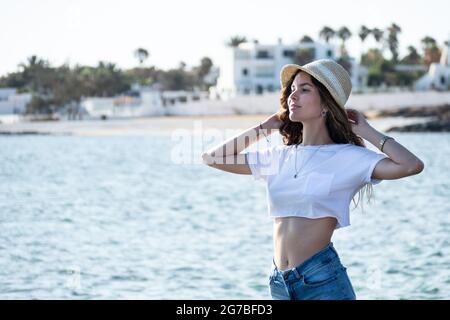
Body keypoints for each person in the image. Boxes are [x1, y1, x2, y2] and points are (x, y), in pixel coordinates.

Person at [201, 59, 424, 300]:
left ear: (326, 104)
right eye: (292, 90)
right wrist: (264, 127)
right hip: (279, 282)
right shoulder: (279, 156)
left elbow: (411, 165)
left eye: (304, 89)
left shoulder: (349, 157)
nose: (293, 96)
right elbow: (212, 157)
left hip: (322, 280)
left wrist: (366, 131)